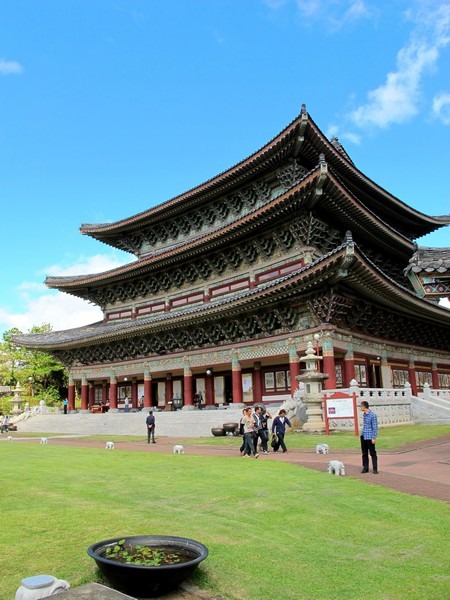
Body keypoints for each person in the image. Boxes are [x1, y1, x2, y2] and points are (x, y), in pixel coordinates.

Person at [360, 401, 378, 474]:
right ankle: (365, 467)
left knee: (372, 453)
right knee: (364, 453)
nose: (360, 408)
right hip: (364, 435)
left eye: (361, 406)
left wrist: (374, 437)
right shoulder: (364, 415)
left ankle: (375, 468)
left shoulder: (372, 415)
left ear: (364, 406)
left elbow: (375, 427)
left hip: (370, 436)